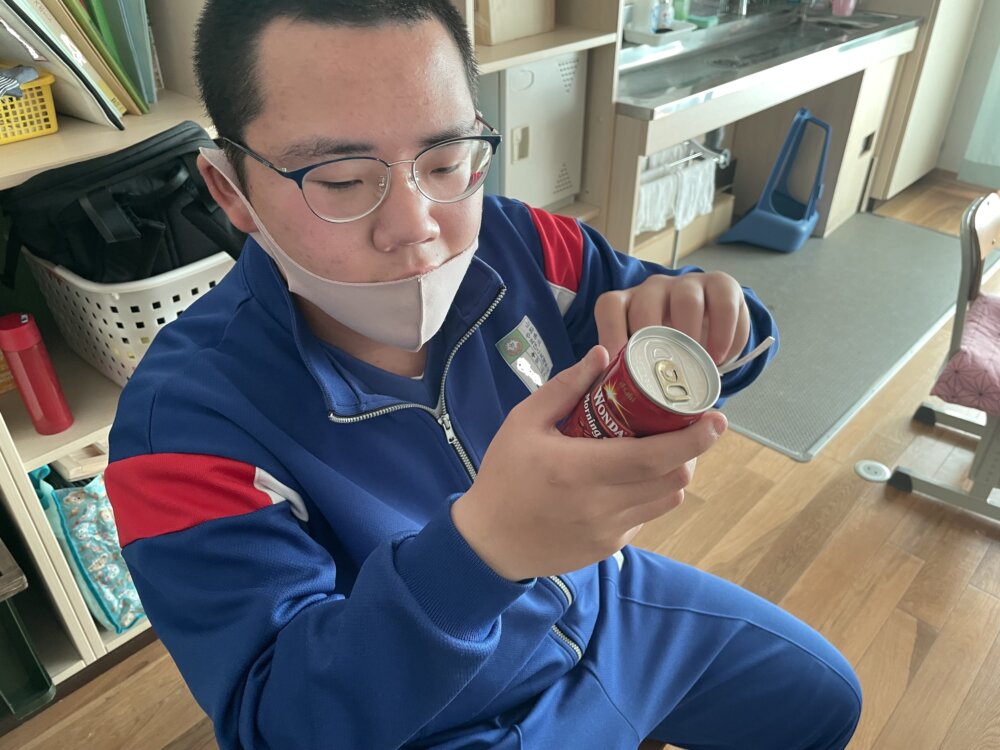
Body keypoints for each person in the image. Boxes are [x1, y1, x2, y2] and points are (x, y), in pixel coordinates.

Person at [104, 1, 862, 748]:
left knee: (825, 703)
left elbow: (706, 339)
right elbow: (284, 725)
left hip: (603, 604)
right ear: (230, 190)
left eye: (444, 163)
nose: (416, 227)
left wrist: (721, 324)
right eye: (339, 180)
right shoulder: (183, 427)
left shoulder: (520, 242)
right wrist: (480, 557)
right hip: (441, 718)